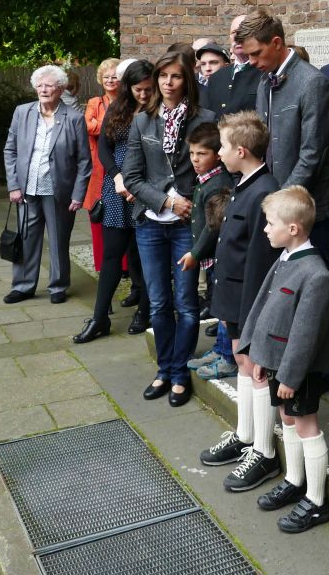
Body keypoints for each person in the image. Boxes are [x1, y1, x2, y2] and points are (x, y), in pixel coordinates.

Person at [242, 185, 329, 533]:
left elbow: (305, 334)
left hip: (299, 369)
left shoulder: (315, 274)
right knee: (287, 418)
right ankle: (295, 480)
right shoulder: (286, 258)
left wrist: (289, 376)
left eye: (271, 223)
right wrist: (259, 355)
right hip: (278, 363)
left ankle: (316, 502)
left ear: (293, 228)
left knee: (306, 425)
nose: (266, 229)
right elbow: (267, 311)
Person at [124, 50, 215, 407]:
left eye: (175, 76)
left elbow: (215, 170)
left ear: (186, 79)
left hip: (186, 226)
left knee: (187, 303)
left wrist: (192, 203)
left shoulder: (205, 119)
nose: (168, 82)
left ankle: (179, 373)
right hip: (151, 223)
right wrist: (166, 202)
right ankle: (164, 369)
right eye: (163, 76)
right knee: (159, 302)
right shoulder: (142, 121)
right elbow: (132, 176)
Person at [199, 111, 280, 489]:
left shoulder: (263, 191)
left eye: (223, 147)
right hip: (234, 296)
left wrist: (250, 316)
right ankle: (246, 435)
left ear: (242, 151)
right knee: (242, 363)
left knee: (255, 369)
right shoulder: (245, 183)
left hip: (249, 301)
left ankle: (264, 452)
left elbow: (260, 263)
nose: (219, 152)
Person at [243, 8, 329, 262]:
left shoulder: (313, 82)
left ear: (276, 43)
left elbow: (313, 153)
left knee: (309, 276)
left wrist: (281, 200)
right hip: (275, 204)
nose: (251, 61)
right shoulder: (265, 81)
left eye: (256, 53)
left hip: (305, 207)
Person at [73, 60, 154, 343]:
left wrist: (138, 186)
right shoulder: (118, 107)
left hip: (146, 188)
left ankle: (145, 310)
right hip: (116, 188)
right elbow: (104, 149)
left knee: (145, 254)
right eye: (137, 89)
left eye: (147, 89)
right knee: (112, 255)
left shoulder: (159, 111)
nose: (142, 94)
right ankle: (99, 318)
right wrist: (117, 177)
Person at [2, 65, 92, 305]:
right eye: (39, 85)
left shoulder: (74, 118)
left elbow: (84, 160)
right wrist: (13, 185)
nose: (43, 89)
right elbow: (10, 150)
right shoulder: (22, 112)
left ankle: (58, 285)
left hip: (59, 191)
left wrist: (78, 194)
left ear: (61, 89)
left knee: (58, 240)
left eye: (49, 85)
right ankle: (22, 286)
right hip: (27, 189)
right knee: (26, 238)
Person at [177, 122, 236, 379]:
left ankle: (228, 357)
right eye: (192, 153)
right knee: (216, 304)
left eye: (202, 154)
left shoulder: (218, 184)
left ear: (217, 155)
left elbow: (213, 226)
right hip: (212, 260)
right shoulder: (206, 180)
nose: (195, 159)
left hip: (218, 257)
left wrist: (196, 253)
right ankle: (220, 349)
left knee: (223, 309)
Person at [84, 58, 122, 272]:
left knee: (124, 215)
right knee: (99, 212)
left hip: (124, 162)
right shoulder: (94, 102)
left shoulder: (128, 101)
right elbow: (88, 126)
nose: (110, 80)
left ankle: (126, 266)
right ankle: (102, 263)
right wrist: (113, 126)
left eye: (114, 76)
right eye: (106, 76)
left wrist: (101, 124)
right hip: (99, 166)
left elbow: (95, 125)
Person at [202, 14, 261, 117]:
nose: (237, 37)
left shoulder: (264, 72)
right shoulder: (217, 77)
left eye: (243, 31)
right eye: (234, 33)